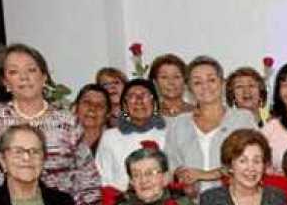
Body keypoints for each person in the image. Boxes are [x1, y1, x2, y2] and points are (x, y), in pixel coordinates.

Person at [0, 44, 102, 205]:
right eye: (14, 72)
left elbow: (86, 175)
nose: (24, 77)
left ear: (44, 77)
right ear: (5, 81)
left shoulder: (66, 121)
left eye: (31, 70)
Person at [164, 56, 255, 197]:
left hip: (236, 202)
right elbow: (171, 165)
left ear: (222, 83)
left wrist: (205, 175)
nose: (205, 86)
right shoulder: (178, 124)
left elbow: (252, 162)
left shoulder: (243, 119)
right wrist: (183, 178)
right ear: (189, 88)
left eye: (211, 80)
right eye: (197, 82)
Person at [96, 79, 166, 191]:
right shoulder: (110, 137)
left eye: (145, 95)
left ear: (155, 103)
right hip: (123, 203)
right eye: (132, 96)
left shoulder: (168, 133)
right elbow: (103, 178)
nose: (139, 101)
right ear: (124, 106)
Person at [148, 54, 194, 118]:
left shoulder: (197, 113)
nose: (171, 82)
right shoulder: (147, 115)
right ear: (155, 82)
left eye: (176, 77)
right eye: (164, 77)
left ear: (185, 80)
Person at [73, 83, 110, 157]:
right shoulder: (60, 141)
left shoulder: (115, 145)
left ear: (108, 114)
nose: (92, 109)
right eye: (87, 103)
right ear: (75, 107)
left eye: (100, 105)